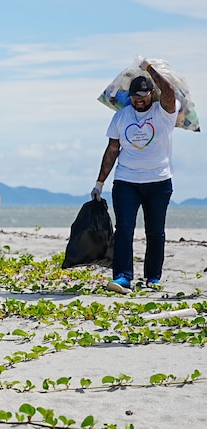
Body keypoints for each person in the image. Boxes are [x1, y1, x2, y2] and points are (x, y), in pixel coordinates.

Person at [90, 58, 179, 294]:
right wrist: (100, 182)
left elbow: (169, 91)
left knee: (155, 231)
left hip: (159, 182)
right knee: (124, 229)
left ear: (152, 93)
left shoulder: (165, 112)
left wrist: (148, 68)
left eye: (143, 96)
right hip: (126, 181)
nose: (138, 101)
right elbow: (112, 150)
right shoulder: (121, 116)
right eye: (134, 97)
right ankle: (122, 276)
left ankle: (153, 277)